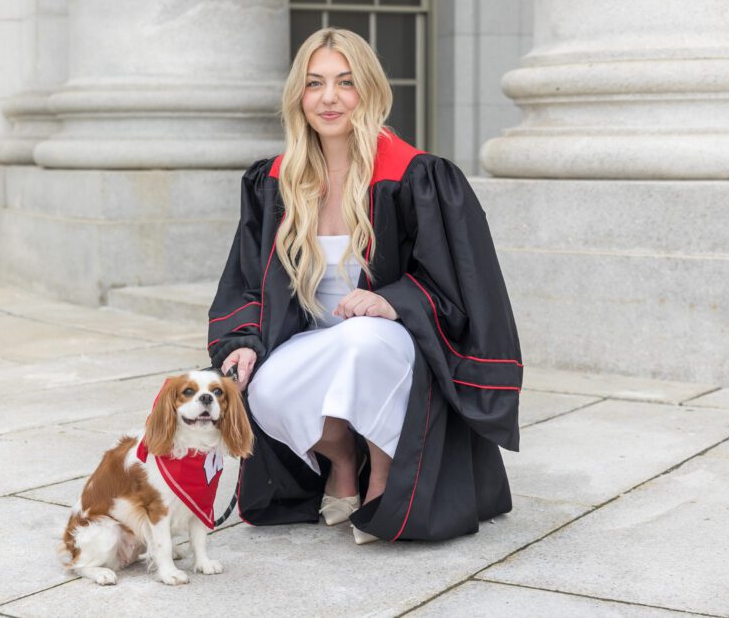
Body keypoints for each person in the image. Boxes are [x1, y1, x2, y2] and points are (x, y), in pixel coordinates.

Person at [206, 28, 522, 544]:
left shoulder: (416, 175)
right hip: (313, 339)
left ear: (369, 90)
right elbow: (245, 279)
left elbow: (465, 283)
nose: (329, 98)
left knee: (360, 338)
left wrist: (393, 300)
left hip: (392, 345)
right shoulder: (275, 182)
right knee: (263, 389)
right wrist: (240, 340)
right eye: (315, 83)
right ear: (299, 95)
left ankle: (384, 471)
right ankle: (343, 459)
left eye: (345, 82)